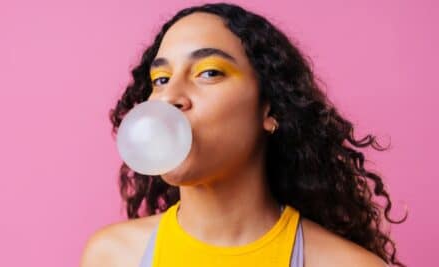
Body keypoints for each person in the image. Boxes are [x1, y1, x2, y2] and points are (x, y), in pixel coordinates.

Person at [80, 3, 407, 267]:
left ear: (269, 109)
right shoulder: (112, 256)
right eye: (161, 79)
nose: (169, 97)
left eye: (209, 73)